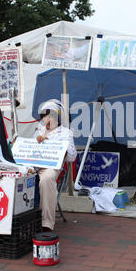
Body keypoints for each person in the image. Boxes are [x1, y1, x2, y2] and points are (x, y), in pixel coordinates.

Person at [34, 99, 76, 232]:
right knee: (15, 175)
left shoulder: (65, 132)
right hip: (33, 164)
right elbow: (29, 149)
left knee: (46, 179)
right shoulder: (38, 130)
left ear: (58, 117)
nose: (48, 119)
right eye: (45, 115)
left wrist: (59, 149)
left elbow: (72, 156)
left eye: (51, 115)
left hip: (51, 166)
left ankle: (46, 224)